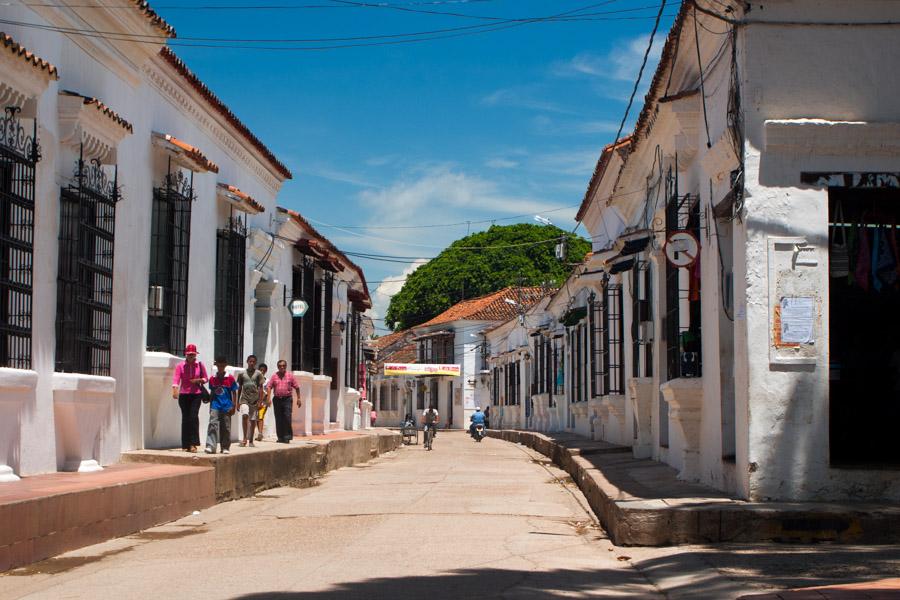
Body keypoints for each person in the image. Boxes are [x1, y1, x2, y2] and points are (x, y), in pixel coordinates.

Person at [171, 343, 208, 453]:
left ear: (195, 355)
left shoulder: (200, 365)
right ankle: (185, 444)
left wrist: (199, 380)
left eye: (193, 354)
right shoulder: (180, 366)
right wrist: (174, 389)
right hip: (184, 395)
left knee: (193, 417)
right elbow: (176, 378)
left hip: (196, 394)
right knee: (185, 418)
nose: (191, 356)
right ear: (186, 355)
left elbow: (206, 378)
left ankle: (193, 444)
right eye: (189, 354)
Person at [205, 356, 237, 454]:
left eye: (223, 365)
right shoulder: (212, 379)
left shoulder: (230, 378)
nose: (221, 366)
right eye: (219, 364)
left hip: (227, 406)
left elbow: (234, 392)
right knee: (212, 425)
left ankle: (225, 447)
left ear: (225, 365)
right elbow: (212, 393)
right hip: (215, 405)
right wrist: (210, 405)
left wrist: (233, 405)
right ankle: (211, 446)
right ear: (217, 365)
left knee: (226, 427)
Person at [265, 359, 300, 443]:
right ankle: (280, 437)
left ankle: (287, 436)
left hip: (287, 399)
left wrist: (299, 398)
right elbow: (269, 386)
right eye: (280, 366)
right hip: (277, 399)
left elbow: (297, 387)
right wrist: (268, 398)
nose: (282, 367)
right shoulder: (274, 376)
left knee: (287, 417)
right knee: (278, 418)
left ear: (286, 366)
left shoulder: (290, 376)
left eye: (283, 366)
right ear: (278, 367)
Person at [237, 354, 266, 447]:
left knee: (253, 420)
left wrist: (260, 401)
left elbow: (261, 388)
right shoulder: (242, 374)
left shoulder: (258, 374)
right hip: (244, 399)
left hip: (254, 400)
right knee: (245, 415)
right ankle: (244, 438)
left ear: (255, 363)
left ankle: (251, 440)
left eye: (254, 362)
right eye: (250, 361)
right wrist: (238, 402)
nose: (252, 363)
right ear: (247, 362)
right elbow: (240, 387)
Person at [256, 363, 269, 442]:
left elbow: (267, 391)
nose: (262, 372)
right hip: (255, 401)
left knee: (260, 417)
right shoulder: (255, 380)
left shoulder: (267, 381)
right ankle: (259, 432)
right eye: (260, 370)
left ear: (266, 371)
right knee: (256, 418)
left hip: (263, 402)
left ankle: (260, 433)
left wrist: (266, 400)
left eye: (263, 371)